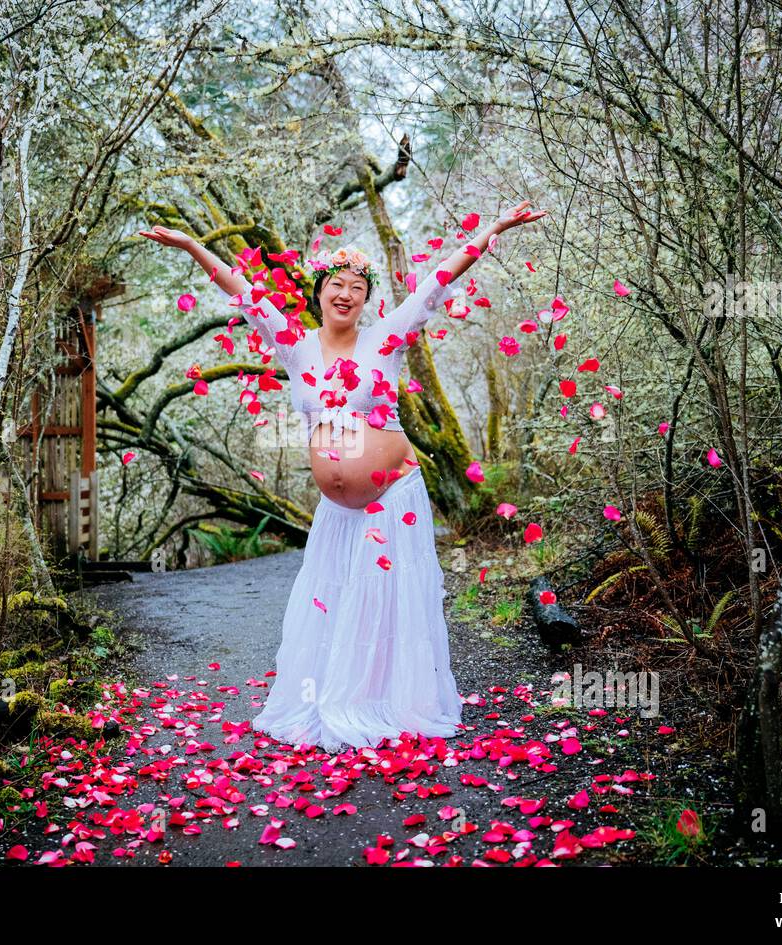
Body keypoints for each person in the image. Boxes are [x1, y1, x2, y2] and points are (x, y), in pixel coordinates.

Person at [138, 201, 547, 752]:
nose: (347, 293)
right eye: (337, 283)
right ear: (320, 291)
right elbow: (242, 290)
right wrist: (192, 246)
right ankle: (335, 696)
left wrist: (492, 226)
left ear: (366, 299)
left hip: (393, 495)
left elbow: (437, 281)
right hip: (335, 508)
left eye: (358, 286)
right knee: (335, 598)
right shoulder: (295, 345)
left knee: (387, 596)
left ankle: (390, 702)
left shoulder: (386, 340)